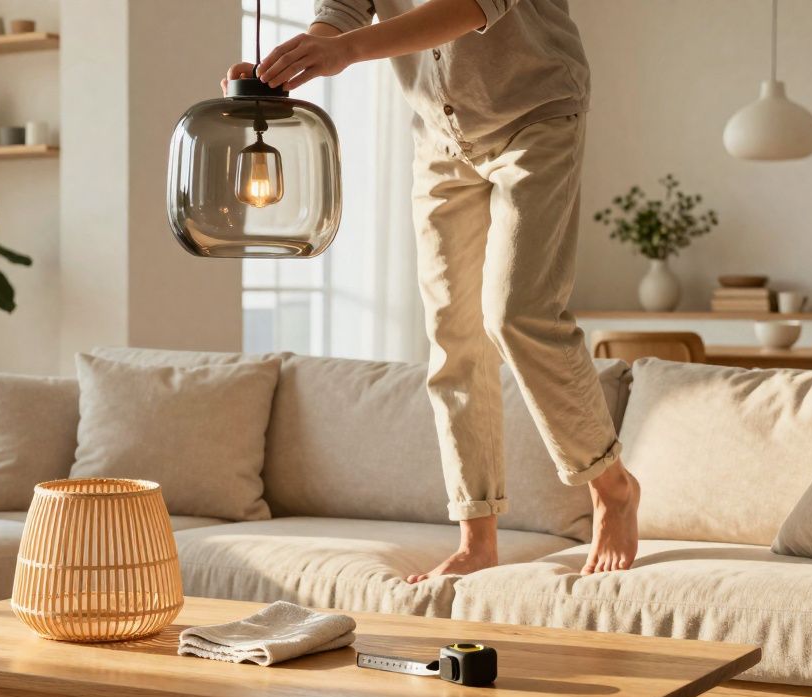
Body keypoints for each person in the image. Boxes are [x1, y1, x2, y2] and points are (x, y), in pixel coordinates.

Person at [222, 0, 640, 581]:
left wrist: (342, 51)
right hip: (441, 137)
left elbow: (475, 5)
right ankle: (476, 536)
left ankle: (610, 485)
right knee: (453, 337)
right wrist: (292, 64)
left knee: (518, 314)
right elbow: (345, 7)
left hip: (536, 112)